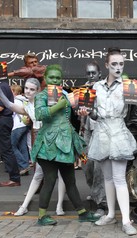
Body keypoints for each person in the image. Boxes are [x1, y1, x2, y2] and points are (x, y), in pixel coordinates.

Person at [30, 64, 98, 225]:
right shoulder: (41, 96)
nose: (55, 80)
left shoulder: (65, 95)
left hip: (66, 144)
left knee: (70, 180)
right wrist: (58, 106)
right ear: (45, 78)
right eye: (52, 77)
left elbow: (71, 113)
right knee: (50, 179)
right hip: (48, 144)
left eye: (58, 77)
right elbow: (39, 115)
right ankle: (41, 216)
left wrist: (81, 108)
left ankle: (82, 212)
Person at [0, 78, 66, 216]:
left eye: (32, 89)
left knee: (61, 172)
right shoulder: (27, 105)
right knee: (38, 173)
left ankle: (59, 205)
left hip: (54, 137)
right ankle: (24, 205)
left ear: (38, 90)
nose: (28, 91)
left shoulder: (45, 101)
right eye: (26, 88)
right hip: (40, 139)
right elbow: (8, 104)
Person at [88, 47, 137, 235]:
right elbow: (94, 113)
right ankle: (110, 214)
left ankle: (126, 220)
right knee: (107, 177)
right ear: (107, 65)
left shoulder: (128, 85)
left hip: (118, 131)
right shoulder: (97, 87)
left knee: (119, 178)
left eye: (121, 64)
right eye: (115, 64)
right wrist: (86, 112)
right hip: (101, 131)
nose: (118, 67)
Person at [80, 61, 108, 218]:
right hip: (86, 131)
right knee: (87, 165)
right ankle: (94, 189)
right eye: (88, 73)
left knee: (99, 169)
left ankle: (101, 203)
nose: (91, 76)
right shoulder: (84, 90)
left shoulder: (103, 90)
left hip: (100, 130)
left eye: (93, 73)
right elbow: (79, 111)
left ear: (99, 74)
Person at [10, 84, 31, 176]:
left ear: (14, 91)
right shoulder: (24, 100)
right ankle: (25, 167)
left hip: (17, 125)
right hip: (25, 124)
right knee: (23, 146)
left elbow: (12, 113)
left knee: (12, 146)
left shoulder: (15, 101)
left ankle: (23, 165)